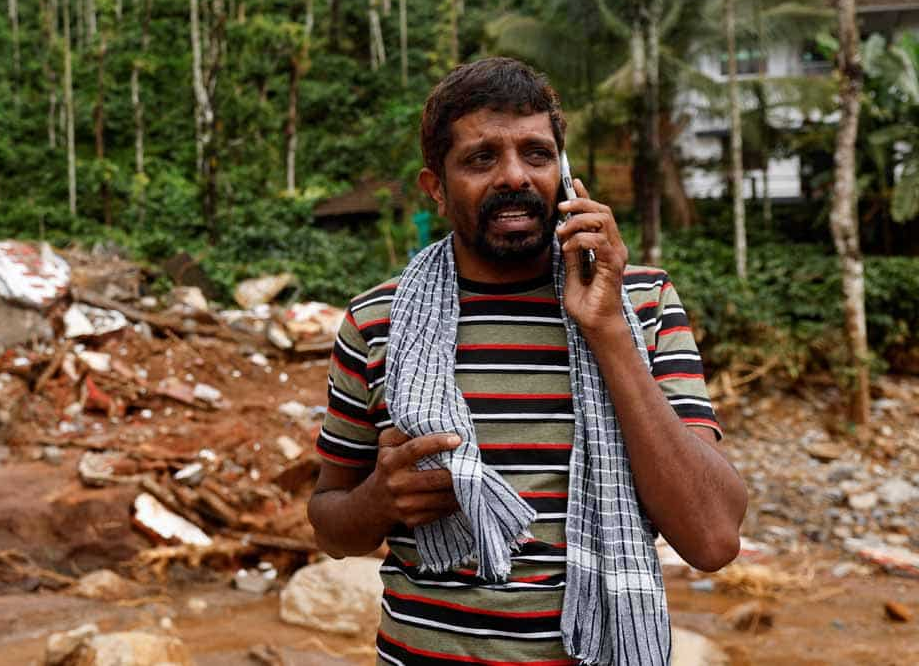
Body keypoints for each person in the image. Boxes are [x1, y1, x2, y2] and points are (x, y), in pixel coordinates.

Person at [308, 58, 747, 666]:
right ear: (435, 188)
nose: (514, 176)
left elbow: (714, 538)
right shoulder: (375, 321)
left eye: (536, 154)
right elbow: (329, 525)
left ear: (564, 172)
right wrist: (378, 502)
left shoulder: (642, 304)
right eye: (481, 158)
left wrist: (608, 330)